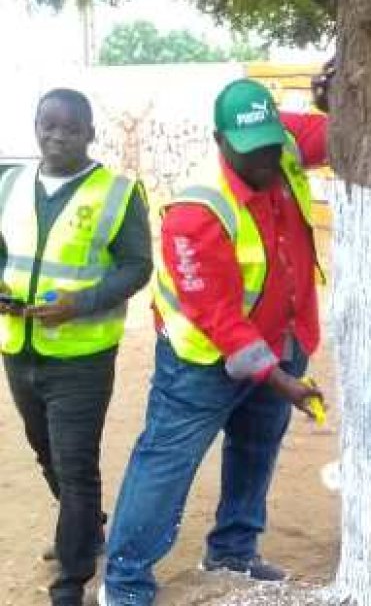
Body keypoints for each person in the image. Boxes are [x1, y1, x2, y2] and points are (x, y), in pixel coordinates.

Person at [99, 69, 333, 605]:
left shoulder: (282, 142)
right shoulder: (195, 212)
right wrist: (279, 379)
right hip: (200, 363)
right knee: (165, 463)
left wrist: (342, 94)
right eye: (249, 152)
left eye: (272, 147)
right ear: (220, 141)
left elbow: (347, 133)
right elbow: (220, 319)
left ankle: (232, 550)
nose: (266, 162)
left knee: (255, 449)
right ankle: (126, 581)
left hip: (283, 340)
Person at [0, 88, 152, 606]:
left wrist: (81, 302)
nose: (57, 136)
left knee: (74, 465)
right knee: (46, 454)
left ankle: (71, 581)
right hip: (19, 349)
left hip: (82, 358)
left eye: (69, 128)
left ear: (90, 133)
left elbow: (137, 267)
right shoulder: (11, 184)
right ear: (35, 126)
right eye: (48, 125)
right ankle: (86, 530)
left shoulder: (118, 192)